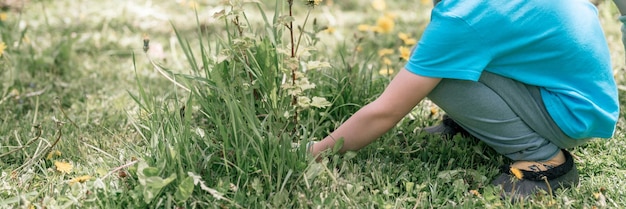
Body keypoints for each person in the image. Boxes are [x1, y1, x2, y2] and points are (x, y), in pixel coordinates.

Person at [308, 0, 624, 200]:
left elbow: (386, 112)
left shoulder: (462, 17)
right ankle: (479, 125)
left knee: (437, 74)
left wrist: (318, 151)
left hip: (571, 115)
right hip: (586, 101)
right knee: (451, 59)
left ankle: (541, 158)